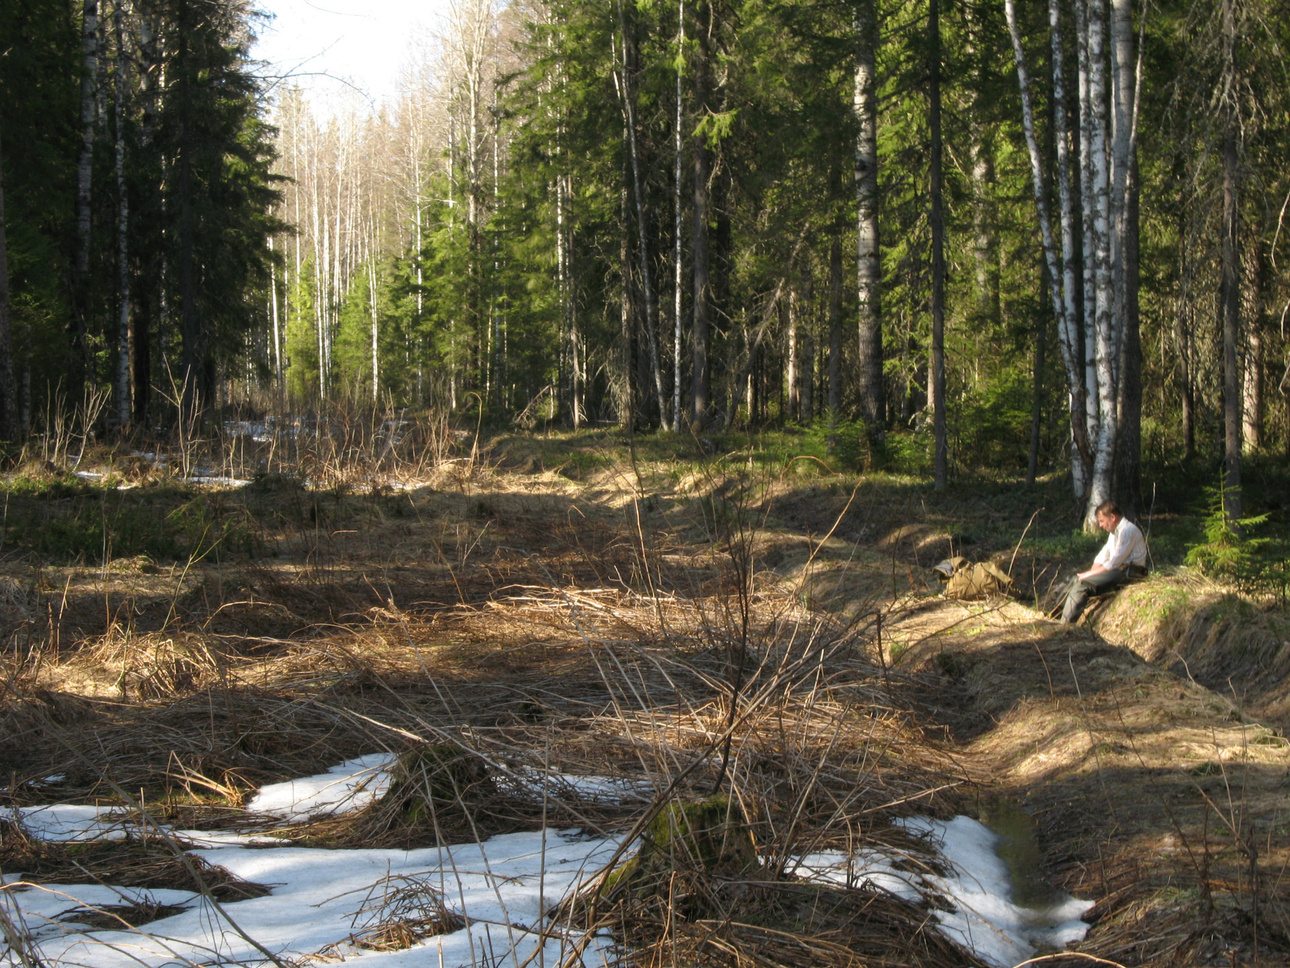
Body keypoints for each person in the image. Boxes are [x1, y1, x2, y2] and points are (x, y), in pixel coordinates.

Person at [1056, 500, 1148, 624]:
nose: (1100, 525)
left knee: (1082, 585)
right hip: (1118, 571)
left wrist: (1087, 576)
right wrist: (1089, 574)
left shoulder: (1128, 531)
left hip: (1129, 574)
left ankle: (1065, 625)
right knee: (1076, 579)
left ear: (1112, 517)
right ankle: (1055, 615)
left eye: (1102, 521)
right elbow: (1103, 556)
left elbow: (1114, 563)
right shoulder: (1114, 533)